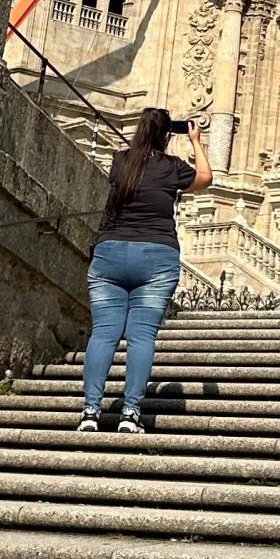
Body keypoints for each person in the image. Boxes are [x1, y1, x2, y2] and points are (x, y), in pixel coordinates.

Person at [79, 105, 210, 432]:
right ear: (168, 136)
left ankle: (91, 413)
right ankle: (130, 414)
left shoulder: (120, 161)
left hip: (109, 254)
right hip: (156, 257)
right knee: (141, 337)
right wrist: (195, 141)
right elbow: (205, 178)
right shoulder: (173, 167)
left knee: (103, 335)